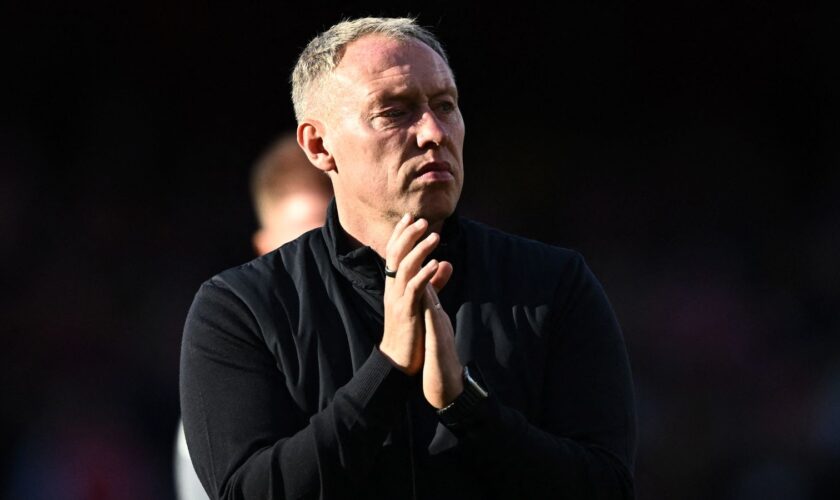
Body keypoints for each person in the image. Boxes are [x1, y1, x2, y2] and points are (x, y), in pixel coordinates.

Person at [180, 17, 636, 500]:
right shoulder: (240, 308)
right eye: (394, 111)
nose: (434, 132)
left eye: (446, 105)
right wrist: (388, 368)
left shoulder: (553, 285)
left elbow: (607, 486)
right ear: (318, 145)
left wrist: (465, 407)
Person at [174, 134, 332, 500]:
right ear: (263, 250)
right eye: (295, 249)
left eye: (330, 244)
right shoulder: (217, 403)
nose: (316, 267)